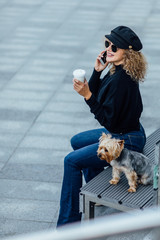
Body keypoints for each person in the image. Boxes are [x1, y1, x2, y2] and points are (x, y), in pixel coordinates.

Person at [57, 26, 147, 227]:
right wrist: (97, 73)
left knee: (71, 161)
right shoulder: (118, 69)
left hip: (127, 138)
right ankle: (96, 186)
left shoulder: (122, 80)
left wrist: (87, 96)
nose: (109, 49)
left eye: (115, 46)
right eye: (107, 44)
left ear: (128, 52)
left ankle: (67, 225)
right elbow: (102, 98)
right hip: (125, 130)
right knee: (77, 141)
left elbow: (109, 121)